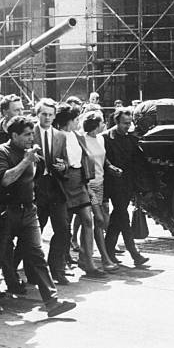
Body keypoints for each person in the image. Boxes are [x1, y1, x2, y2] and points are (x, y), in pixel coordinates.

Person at [0, 116, 76, 317]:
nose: (30, 138)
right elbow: (5, 180)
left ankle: (52, 302)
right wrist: (26, 161)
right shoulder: (0, 152)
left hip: (28, 211)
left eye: (32, 134)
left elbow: (37, 179)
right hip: (6, 211)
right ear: (14, 135)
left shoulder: (34, 155)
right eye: (26, 135)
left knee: (36, 255)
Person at [54, 104, 106, 278]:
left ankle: (87, 261)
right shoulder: (57, 136)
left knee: (88, 220)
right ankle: (61, 262)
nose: (79, 122)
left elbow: (84, 159)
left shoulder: (78, 136)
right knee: (65, 225)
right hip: (64, 182)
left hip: (80, 181)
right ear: (68, 121)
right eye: (76, 119)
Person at [32, 98, 72, 284]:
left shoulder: (61, 136)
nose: (47, 117)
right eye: (44, 114)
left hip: (55, 188)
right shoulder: (30, 133)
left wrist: (63, 166)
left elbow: (66, 162)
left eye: (50, 114)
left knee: (63, 230)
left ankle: (56, 269)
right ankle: (32, 271)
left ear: (55, 116)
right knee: (34, 233)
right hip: (36, 188)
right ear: (37, 114)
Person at [103, 109, 149, 266]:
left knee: (117, 218)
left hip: (127, 184)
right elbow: (103, 160)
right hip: (113, 184)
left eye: (130, 123)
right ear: (116, 122)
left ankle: (108, 250)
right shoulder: (106, 138)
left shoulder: (131, 139)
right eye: (125, 123)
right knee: (123, 217)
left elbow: (137, 163)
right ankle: (134, 253)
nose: (128, 126)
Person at [82, 110, 119, 272]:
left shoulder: (101, 139)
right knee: (97, 220)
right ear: (95, 125)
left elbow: (103, 159)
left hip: (101, 183)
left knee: (101, 220)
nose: (104, 124)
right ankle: (103, 258)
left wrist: (110, 167)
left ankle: (85, 256)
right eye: (102, 121)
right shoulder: (82, 140)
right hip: (88, 185)